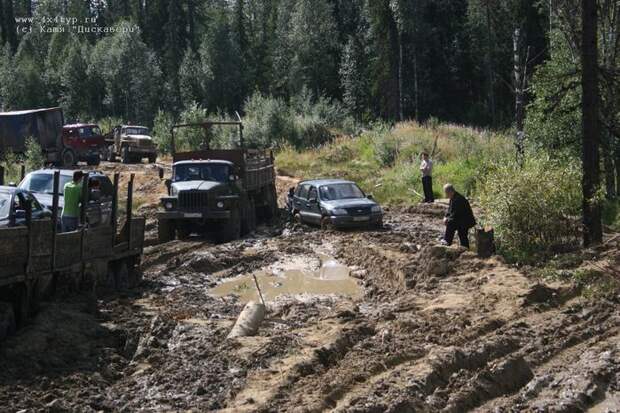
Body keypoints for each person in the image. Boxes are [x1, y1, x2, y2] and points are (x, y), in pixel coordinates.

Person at [441, 183, 476, 248]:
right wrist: (446, 216)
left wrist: (448, 220)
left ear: (450, 191)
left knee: (451, 224)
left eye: (446, 193)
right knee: (461, 235)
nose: (446, 195)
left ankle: (447, 241)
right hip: (460, 220)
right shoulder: (453, 197)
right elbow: (450, 209)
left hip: (465, 222)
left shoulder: (459, 199)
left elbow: (455, 214)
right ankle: (448, 241)